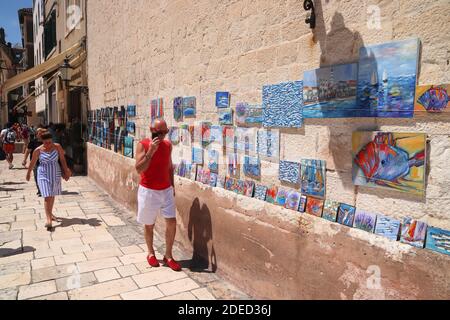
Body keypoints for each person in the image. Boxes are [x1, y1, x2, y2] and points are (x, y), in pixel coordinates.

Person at [135, 118, 181, 271]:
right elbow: (139, 169)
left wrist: (172, 186)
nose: (162, 136)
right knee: (149, 225)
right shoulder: (143, 145)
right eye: (159, 132)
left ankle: (168, 255)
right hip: (149, 191)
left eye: (165, 132)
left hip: (166, 190)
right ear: (152, 130)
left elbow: (169, 167)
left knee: (172, 222)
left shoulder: (168, 145)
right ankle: (150, 252)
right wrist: (150, 152)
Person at [26, 132, 72, 230]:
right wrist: (28, 173)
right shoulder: (38, 150)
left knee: (52, 194)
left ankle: (50, 214)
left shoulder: (57, 147)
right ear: (42, 141)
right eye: (46, 142)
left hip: (55, 173)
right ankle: (48, 220)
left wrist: (66, 170)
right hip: (43, 174)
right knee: (47, 195)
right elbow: (32, 162)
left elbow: (63, 160)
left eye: (50, 142)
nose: (48, 144)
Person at [23, 128, 47, 196]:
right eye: (39, 133)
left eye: (41, 133)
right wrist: (24, 160)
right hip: (35, 162)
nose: (39, 134)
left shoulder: (47, 142)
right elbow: (28, 151)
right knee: (37, 176)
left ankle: (44, 188)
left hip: (45, 162)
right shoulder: (33, 142)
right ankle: (40, 190)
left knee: (45, 176)